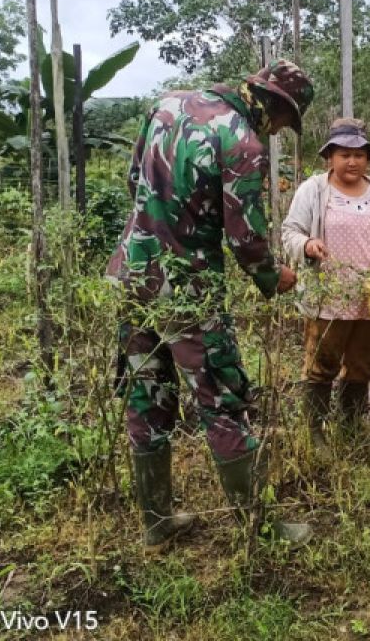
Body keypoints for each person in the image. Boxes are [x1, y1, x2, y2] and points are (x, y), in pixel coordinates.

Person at [107, 59, 314, 548]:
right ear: (273, 105)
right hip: (187, 291)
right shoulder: (243, 143)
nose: (279, 132)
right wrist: (274, 275)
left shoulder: (167, 103)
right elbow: (245, 237)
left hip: (132, 273)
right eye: (285, 123)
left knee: (146, 394)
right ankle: (260, 529)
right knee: (221, 398)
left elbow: (133, 178)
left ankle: (156, 524)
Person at [282, 118, 370, 444]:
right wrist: (308, 246)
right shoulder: (313, 190)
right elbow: (289, 233)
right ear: (330, 156)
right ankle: (315, 434)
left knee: (363, 363)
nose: (352, 161)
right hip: (329, 296)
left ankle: (351, 428)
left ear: (367, 157)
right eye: (344, 154)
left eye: (359, 154)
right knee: (322, 364)